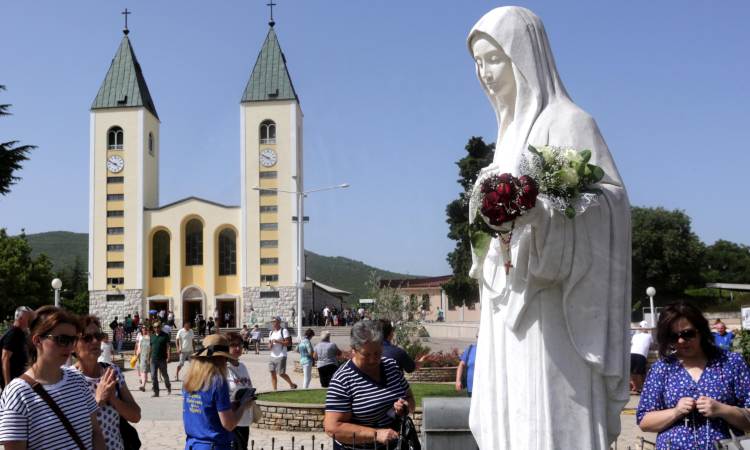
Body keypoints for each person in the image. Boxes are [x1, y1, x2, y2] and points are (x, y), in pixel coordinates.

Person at [466, 7, 631, 449]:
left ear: (524, 57)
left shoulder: (570, 123)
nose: (484, 73)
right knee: (511, 416)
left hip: (555, 306)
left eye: (493, 59)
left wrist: (544, 218)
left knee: (548, 414)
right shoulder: (504, 139)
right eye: (477, 63)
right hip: (507, 303)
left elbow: (610, 204)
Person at [637, 302, 750, 449]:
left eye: (687, 334)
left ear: (701, 330)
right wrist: (675, 412)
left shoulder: (731, 363)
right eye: (673, 337)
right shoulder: (661, 369)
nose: (681, 341)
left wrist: (722, 410)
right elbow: (644, 422)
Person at [0, 306, 105, 449]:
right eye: (62, 339)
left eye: (73, 340)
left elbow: (96, 433)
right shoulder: (18, 394)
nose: (69, 347)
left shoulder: (78, 379)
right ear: (37, 340)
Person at [324, 320, 415, 450]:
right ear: (353, 350)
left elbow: (410, 399)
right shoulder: (343, 379)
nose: (373, 359)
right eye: (366, 355)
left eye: (377, 353)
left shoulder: (391, 366)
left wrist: (404, 407)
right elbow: (332, 428)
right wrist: (375, 434)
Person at [72, 315, 141, 450]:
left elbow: (136, 416)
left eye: (98, 336)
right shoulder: (67, 378)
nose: (95, 341)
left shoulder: (112, 372)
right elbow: (66, 426)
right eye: (87, 337)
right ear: (73, 345)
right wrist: (97, 401)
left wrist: (113, 399)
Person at [183, 333, 247, 450]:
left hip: (193, 444)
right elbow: (229, 424)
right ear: (221, 358)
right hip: (213, 445)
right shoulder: (217, 381)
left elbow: (205, 409)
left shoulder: (189, 379)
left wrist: (230, 406)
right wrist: (243, 406)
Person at [225, 332, 254, 450]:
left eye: (240, 345)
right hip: (232, 421)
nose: (238, 348)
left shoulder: (242, 366)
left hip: (245, 420)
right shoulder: (224, 368)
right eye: (233, 345)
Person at [1, 306, 34, 389]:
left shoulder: (20, 333)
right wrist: (7, 384)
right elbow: (5, 358)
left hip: (18, 377)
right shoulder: (13, 334)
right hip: (12, 380)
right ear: (21, 318)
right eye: (29, 318)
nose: (31, 321)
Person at [268, 317, 297, 390]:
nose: (273, 323)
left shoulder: (284, 331)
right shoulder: (271, 332)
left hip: (281, 355)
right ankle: (274, 390)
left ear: (279, 322)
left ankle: (291, 384)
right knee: (272, 372)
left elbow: (288, 343)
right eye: (272, 322)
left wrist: (278, 342)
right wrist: (270, 345)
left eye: (274, 322)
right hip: (272, 355)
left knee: (281, 373)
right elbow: (269, 344)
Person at [630, 320, 653, 394]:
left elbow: (632, 344)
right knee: (639, 373)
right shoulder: (649, 336)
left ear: (640, 327)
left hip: (632, 353)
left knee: (632, 372)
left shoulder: (635, 336)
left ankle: (635, 387)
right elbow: (652, 346)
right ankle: (639, 388)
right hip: (641, 355)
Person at [150, 322, 171, 397]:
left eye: (158, 327)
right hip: (153, 359)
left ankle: (168, 386)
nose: (156, 329)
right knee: (153, 376)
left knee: (165, 375)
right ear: (153, 328)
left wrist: (169, 356)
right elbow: (151, 348)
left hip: (162, 359)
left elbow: (168, 347)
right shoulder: (152, 336)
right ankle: (156, 392)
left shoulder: (165, 336)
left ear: (160, 327)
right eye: (155, 327)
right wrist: (148, 358)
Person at [136, 324, 151, 392]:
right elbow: (138, 345)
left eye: (145, 328)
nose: (144, 329)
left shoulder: (148, 337)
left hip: (145, 356)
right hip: (140, 355)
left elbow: (148, 348)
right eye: (143, 328)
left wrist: (148, 357)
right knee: (140, 369)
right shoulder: (140, 336)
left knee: (144, 371)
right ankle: (143, 380)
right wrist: (136, 353)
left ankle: (143, 385)